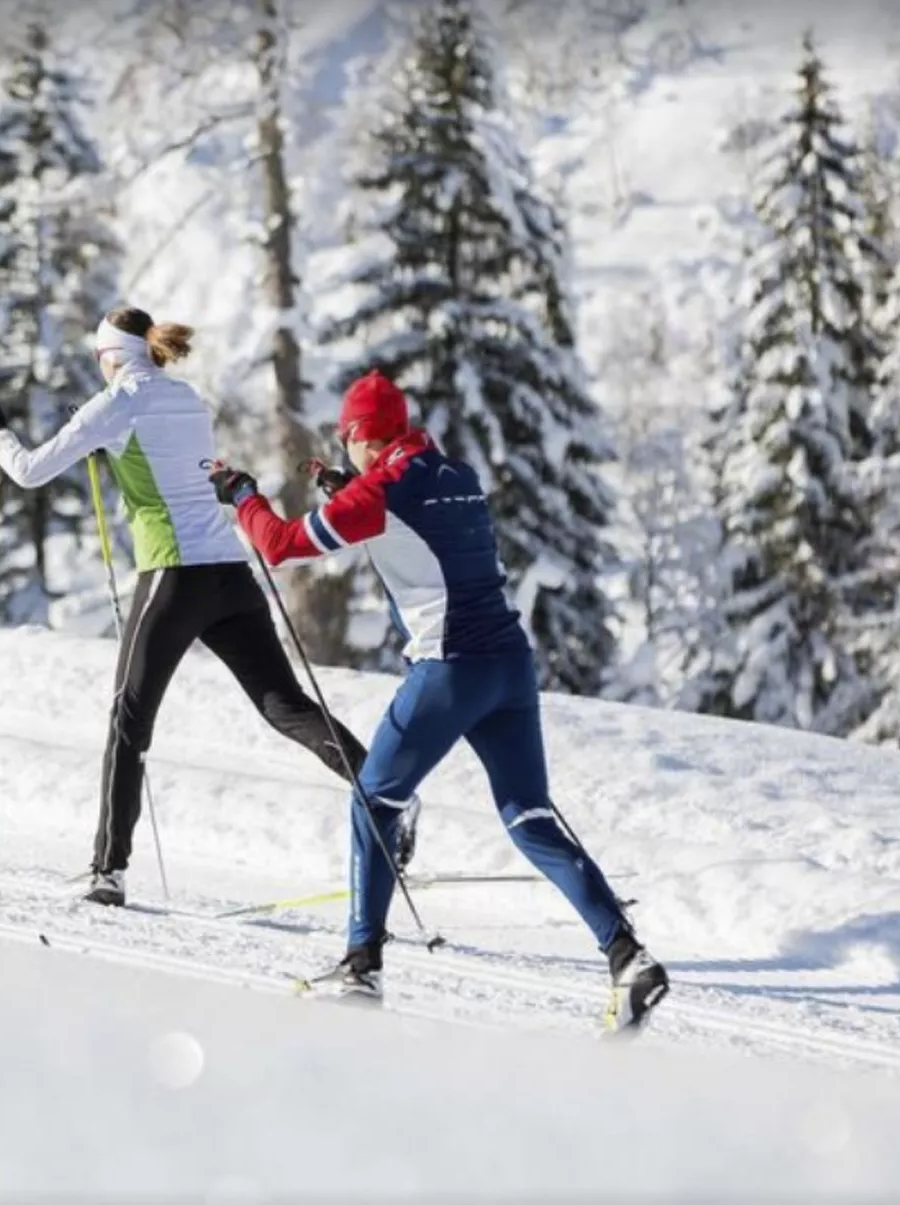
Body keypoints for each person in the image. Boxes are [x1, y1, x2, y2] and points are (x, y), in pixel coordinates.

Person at [207, 370, 669, 1033]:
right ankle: (629, 957)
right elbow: (419, 528)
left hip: (449, 670)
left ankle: (361, 965)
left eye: (346, 439)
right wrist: (348, 491)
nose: (345, 451)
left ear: (363, 435)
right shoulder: (456, 474)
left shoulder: (379, 491)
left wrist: (243, 495)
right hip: (510, 667)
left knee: (373, 800)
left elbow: (278, 547)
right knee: (530, 816)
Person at [0, 306, 410, 906]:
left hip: (172, 577)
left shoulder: (117, 402)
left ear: (109, 356)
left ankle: (108, 871)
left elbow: (29, 471)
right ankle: (383, 791)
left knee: (129, 719)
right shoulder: (186, 397)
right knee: (285, 705)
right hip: (230, 574)